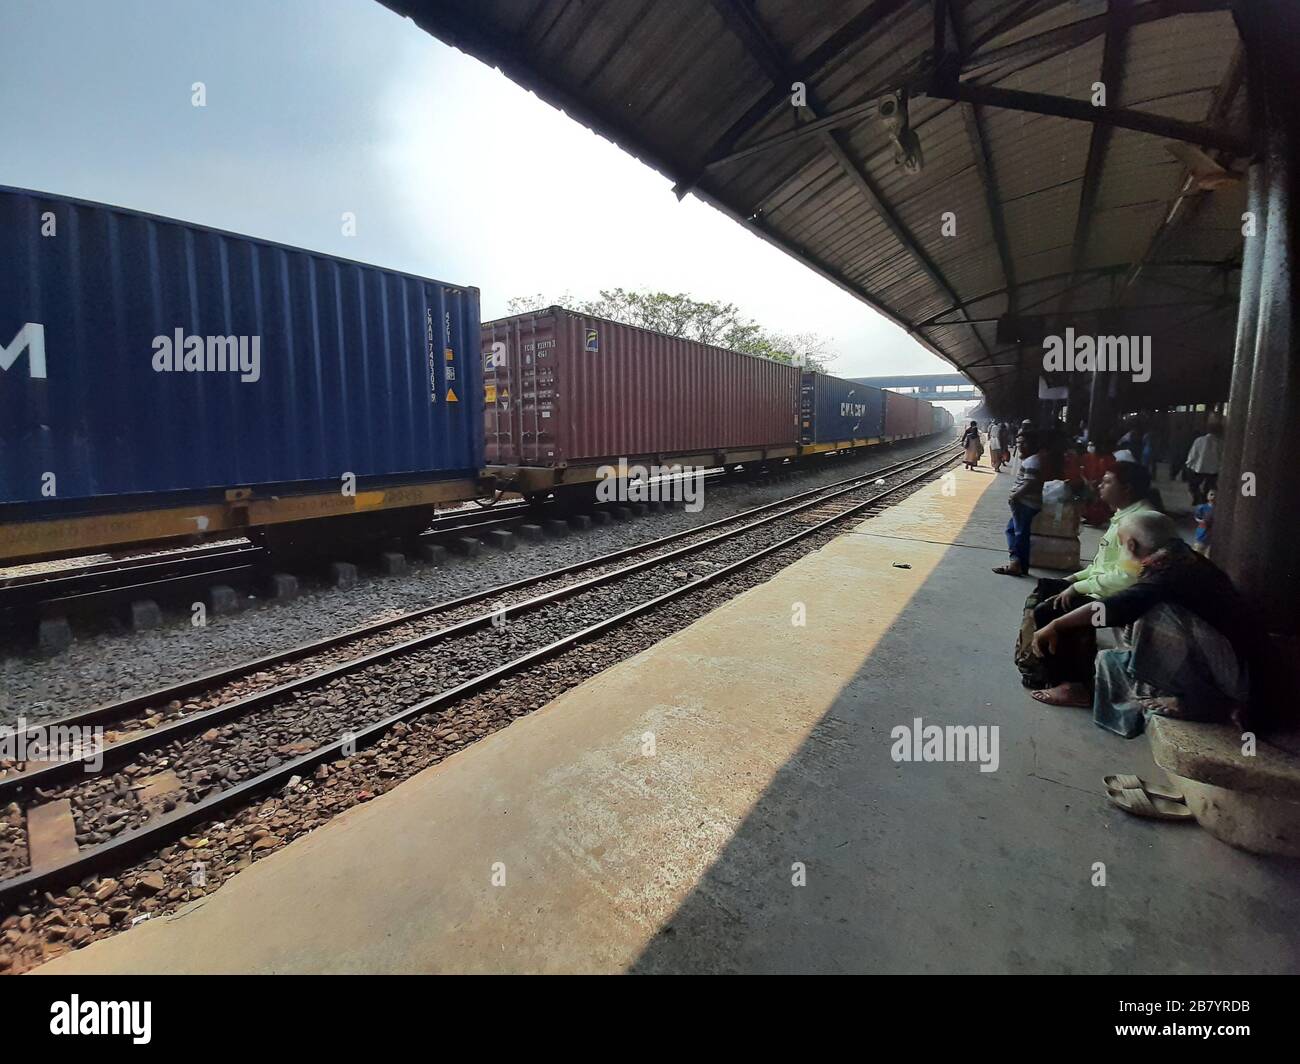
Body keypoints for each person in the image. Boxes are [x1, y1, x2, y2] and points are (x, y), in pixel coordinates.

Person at [1032, 510, 1259, 738]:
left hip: (1237, 678)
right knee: (1138, 616)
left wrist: (1057, 625)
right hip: (1233, 667)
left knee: (1156, 613)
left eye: (1120, 545)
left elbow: (1118, 606)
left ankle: (1195, 699)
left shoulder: (1169, 572)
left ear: (1130, 545)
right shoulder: (1182, 558)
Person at [1022, 462, 1157, 706]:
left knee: (1049, 610)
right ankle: (1046, 667)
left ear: (1126, 489)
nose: (1099, 485)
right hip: (1109, 590)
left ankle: (1073, 685)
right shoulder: (1123, 515)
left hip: (1124, 600)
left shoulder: (1137, 521)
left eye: (1107, 482)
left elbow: (1127, 578)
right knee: (1047, 589)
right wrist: (1072, 580)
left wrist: (1078, 588)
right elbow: (1102, 566)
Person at [992, 430, 1042, 577]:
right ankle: (1020, 565)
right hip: (1025, 503)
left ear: (1033, 444)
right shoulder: (1033, 459)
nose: (1020, 446)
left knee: (1019, 533)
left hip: (1024, 503)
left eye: (1023, 443)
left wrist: (1014, 496)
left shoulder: (1032, 461)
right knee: (1014, 531)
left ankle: (1016, 564)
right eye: (1018, 442)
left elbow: (1030, 483)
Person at [1185, 423, 1222, 505]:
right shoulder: (1219, 442)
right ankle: (1206, 500)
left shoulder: (1199, 440)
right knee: (1209, 487)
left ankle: (1197, 498)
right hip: (1214, 469)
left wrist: (1189, 463)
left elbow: (1193, 453)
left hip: (1199, 467)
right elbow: (1221, 456)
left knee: (1194, 485)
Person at [1193, 488, 1216, 554]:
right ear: (1207, 495)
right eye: (1211, 494)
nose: (1213, 497)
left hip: (1212, 534)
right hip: (1202, 531)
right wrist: (1202, 521)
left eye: (1215, 495)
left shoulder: (1218, 509)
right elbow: (1197, 517)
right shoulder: (1202, 507)